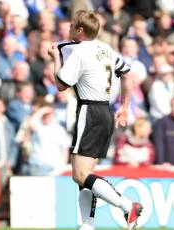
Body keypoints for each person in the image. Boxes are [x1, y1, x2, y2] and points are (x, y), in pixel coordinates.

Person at [47, 10, 142, 230]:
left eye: (72, 26)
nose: (69, 29)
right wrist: (125, 107)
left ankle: (127, 205)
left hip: (89, 111)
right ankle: (87, 225)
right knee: (86, 175)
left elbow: (61, 85)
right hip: (106, 112)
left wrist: (56, 59)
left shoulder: (81, 51)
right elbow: (128, 74)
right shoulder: (105, 49)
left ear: (80, 30)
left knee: (79, 175)